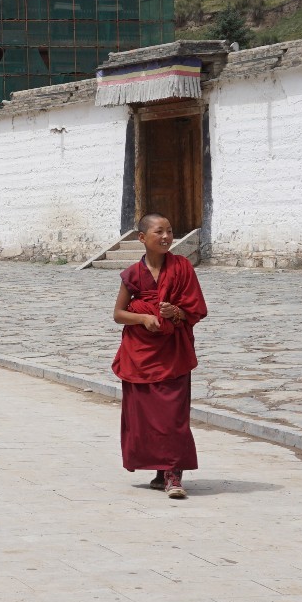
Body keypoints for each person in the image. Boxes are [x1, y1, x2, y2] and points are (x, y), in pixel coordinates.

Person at [112, 213, 207, 499]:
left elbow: (195, 309)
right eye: (159, 232)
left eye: (169, 231)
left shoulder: (182, 267)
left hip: (172, 352)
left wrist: (174, 313)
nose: (166, 237)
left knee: (172, 416)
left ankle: (173, 474)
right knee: (146, 416)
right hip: (140, 353)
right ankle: (159, 469)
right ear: (142, 238)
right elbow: (118, 314)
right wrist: (143, 319)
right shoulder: (132, 274)